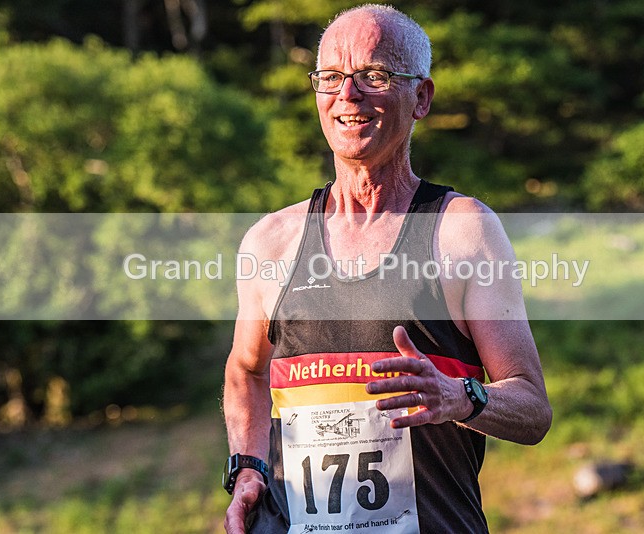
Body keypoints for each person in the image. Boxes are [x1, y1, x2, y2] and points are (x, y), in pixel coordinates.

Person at [223, 4, 552, 533]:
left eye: (373, 76)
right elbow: (247, 370)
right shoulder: (271, 243)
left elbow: (533, 409)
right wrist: (248, 467)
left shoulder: (461, 230)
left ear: (421, 97)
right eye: (330, 77)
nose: (347, 96)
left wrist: (457, 397)